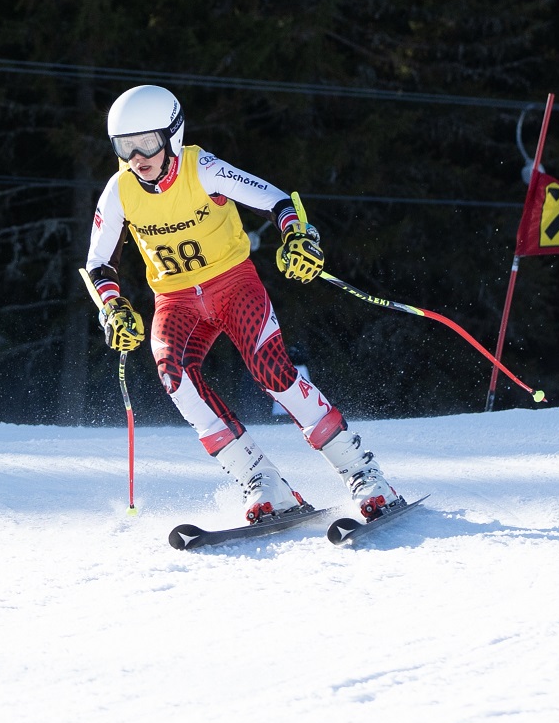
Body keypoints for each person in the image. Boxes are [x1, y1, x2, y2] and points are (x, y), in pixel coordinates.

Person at [83, 85, 402, 524]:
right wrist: (112, 307)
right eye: (125, 146)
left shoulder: (203, 168)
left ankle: (362, 472)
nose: (138, 157)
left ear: (173, 135)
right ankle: (262, 480)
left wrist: (298, 234)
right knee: (173, 375)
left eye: (148, 143)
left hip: (234, 286)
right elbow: (98, 262)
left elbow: (277, 201)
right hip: (176, 300)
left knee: (272, 371)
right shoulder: (119, 191)